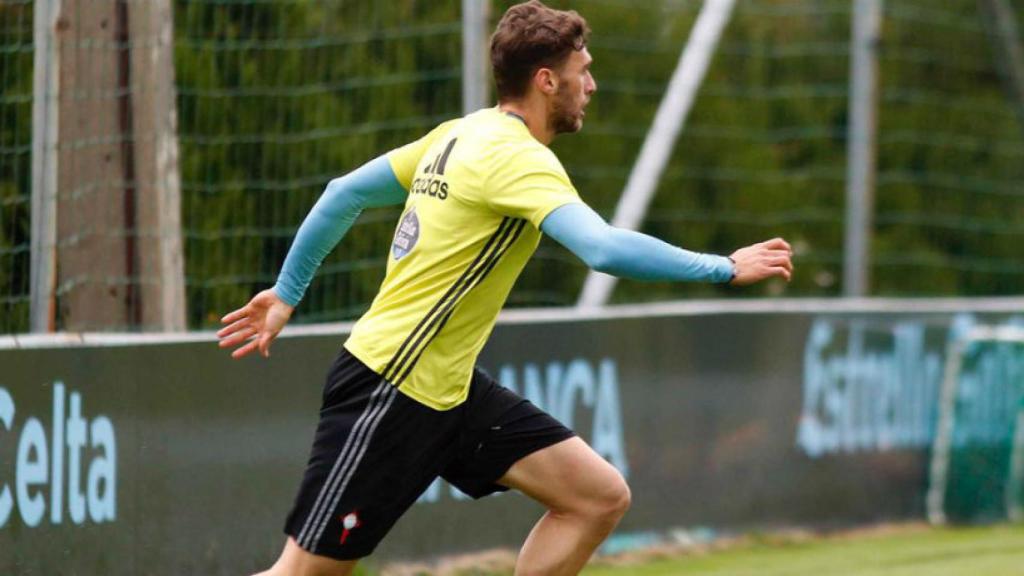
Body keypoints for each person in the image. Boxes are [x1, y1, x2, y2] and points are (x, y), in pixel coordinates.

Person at [218, 2, 793, 574]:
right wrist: (723, 267)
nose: (590, 84)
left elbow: (344, 193)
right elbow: (604, 248)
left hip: (449, 390)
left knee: (596, 498)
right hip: (389, 386)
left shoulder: (461, 134)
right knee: (299, 575)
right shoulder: (518, 159)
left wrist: (288, 293)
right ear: (547, 81)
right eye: (582, 71)